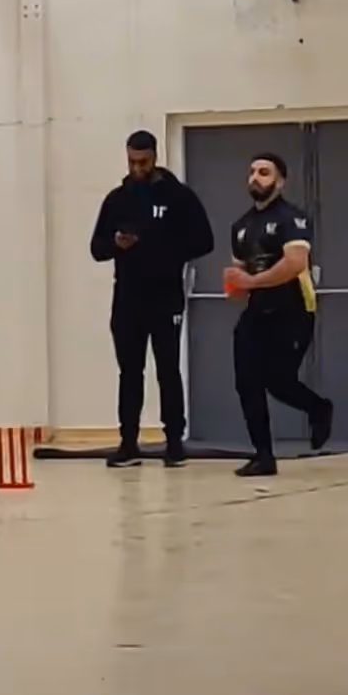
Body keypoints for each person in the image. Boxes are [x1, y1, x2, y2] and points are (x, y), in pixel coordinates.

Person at [91, 130, 214, 468]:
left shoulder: (179, 197)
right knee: (130, 371)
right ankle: (128, 442)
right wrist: (118, 243)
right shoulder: (117, 200)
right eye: (132, 161)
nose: (137, 167)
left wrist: (168, 250)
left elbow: (205, 241)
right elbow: (96, 249)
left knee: (168, 371)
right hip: (128, 298)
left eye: (143, 161)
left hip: (165, 297)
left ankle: (174, 442)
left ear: (155, 157)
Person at [223, 152, 334, 477]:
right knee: (246, 382)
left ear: (280, 181)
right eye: (252, 171)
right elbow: (238, 272)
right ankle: (263, 456)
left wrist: (253, 281)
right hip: (257, 311)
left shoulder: (292, 218)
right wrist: (234, 284)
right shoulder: (240, 226)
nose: (256, 177)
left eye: (264, 172)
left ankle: (318, 407)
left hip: (293, 310)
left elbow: (294, 263)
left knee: (278, 381)